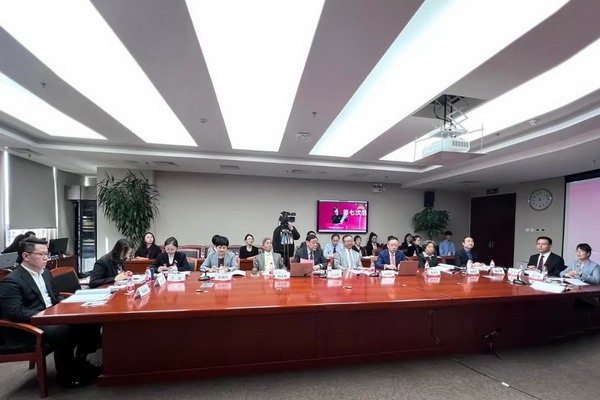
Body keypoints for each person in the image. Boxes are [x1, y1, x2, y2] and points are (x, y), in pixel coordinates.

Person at [0, 237, 100, 388]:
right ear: (25, 256)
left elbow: (55, 296)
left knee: (90, 320)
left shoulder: (46, 273)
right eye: (41, 254)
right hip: (29, 326)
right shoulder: (12, 281)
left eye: (47, 254)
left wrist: (69, 305)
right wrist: (46, 315)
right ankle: (66, 376)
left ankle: (81, 361)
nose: (46, 257)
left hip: (51, 316)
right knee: (65, 330)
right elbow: (15, 313)